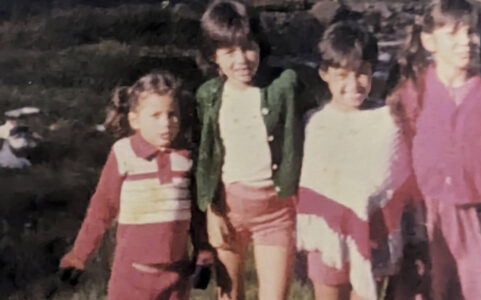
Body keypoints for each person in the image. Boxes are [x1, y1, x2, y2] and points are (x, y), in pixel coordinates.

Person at [386, 1, 481, 299]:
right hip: (425, 219)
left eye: (471, 32)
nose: (465, 42)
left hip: (475, 220)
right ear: (429, 40)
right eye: (453, 33)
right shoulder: (410, 95)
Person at [60, 71, 208, 299]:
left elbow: (198, 216)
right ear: (134, 119)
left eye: (172, 115)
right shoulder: (124, 152)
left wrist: (203, 254)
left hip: (176, 275)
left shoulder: (186, 156)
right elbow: (101, 209)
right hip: (131, 276)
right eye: (155, 115)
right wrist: (79, 255)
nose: (166, 123)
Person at [295, 21, 416, 300]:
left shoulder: (387, 121)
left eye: (362, 73)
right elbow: (311, 187)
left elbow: (395, 179)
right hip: (327, 240)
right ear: (325, 74)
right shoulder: (315, 124)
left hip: (373, 235)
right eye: (342, 75)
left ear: (373, 70)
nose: (354, 84)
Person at [195, 1, 307, 299]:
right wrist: (210, 209)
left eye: (248, 48)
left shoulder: (285, 85)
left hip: (277, 212)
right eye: (229, 52)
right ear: (212, 55)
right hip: (228, 210)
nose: (241, 59)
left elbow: (314, 126)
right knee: (229, 295)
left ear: (260, 46)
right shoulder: (208, 96)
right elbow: (205, 156)